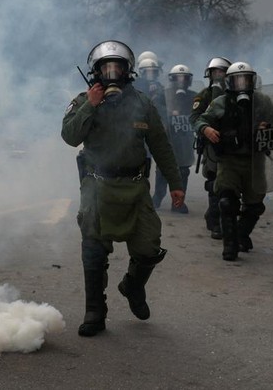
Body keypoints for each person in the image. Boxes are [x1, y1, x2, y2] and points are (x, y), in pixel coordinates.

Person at [61, 40, 185, 337]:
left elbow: (161, 145)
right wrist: (90, 105)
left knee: (148, 247)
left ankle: (133, 285)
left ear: (128, 71)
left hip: (135, 186)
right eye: (107, 67)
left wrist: (176, 185)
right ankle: (95, 310)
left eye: (118, 67)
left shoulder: (143, 103)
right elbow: (69, 136)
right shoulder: (83, 101)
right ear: (96, 72)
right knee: (93, 249)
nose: (113, 73)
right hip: (98, 186)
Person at [193, 61, 273, 261]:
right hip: (229, 160)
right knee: (227, 202)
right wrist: (206, 129)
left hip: (255, 160)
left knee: (255, 206)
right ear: (230, 82)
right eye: (237, 80)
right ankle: (230, 246)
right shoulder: (221, 102)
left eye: (246, 80)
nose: (242, 84)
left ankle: (241, 235)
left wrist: (266, 126)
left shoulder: (262, 101)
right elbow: (201, 119)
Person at [190, 56, 231, 239]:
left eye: (221, 72)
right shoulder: (204, 95)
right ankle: (215, 222)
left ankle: (227, 222)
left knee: (231, 186)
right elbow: (194, 117)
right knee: (214, 183)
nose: (218, 76)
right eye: (215, 72)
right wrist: (205, 129)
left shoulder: (237, 94)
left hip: (233, 146)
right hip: (212, 146)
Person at [151, 64, 196, 213]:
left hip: (184, 138)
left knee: (183, 170)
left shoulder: (194, 96)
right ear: (172, 79)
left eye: (184, 79)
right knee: (164, 168)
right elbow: (155, 108)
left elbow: (199, 112)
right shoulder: (162, 95)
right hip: (168, 137)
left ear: (189, 81)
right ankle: (157, 197)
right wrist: (167, 115)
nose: (181, 82)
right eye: (177, 78)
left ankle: (178, 203)